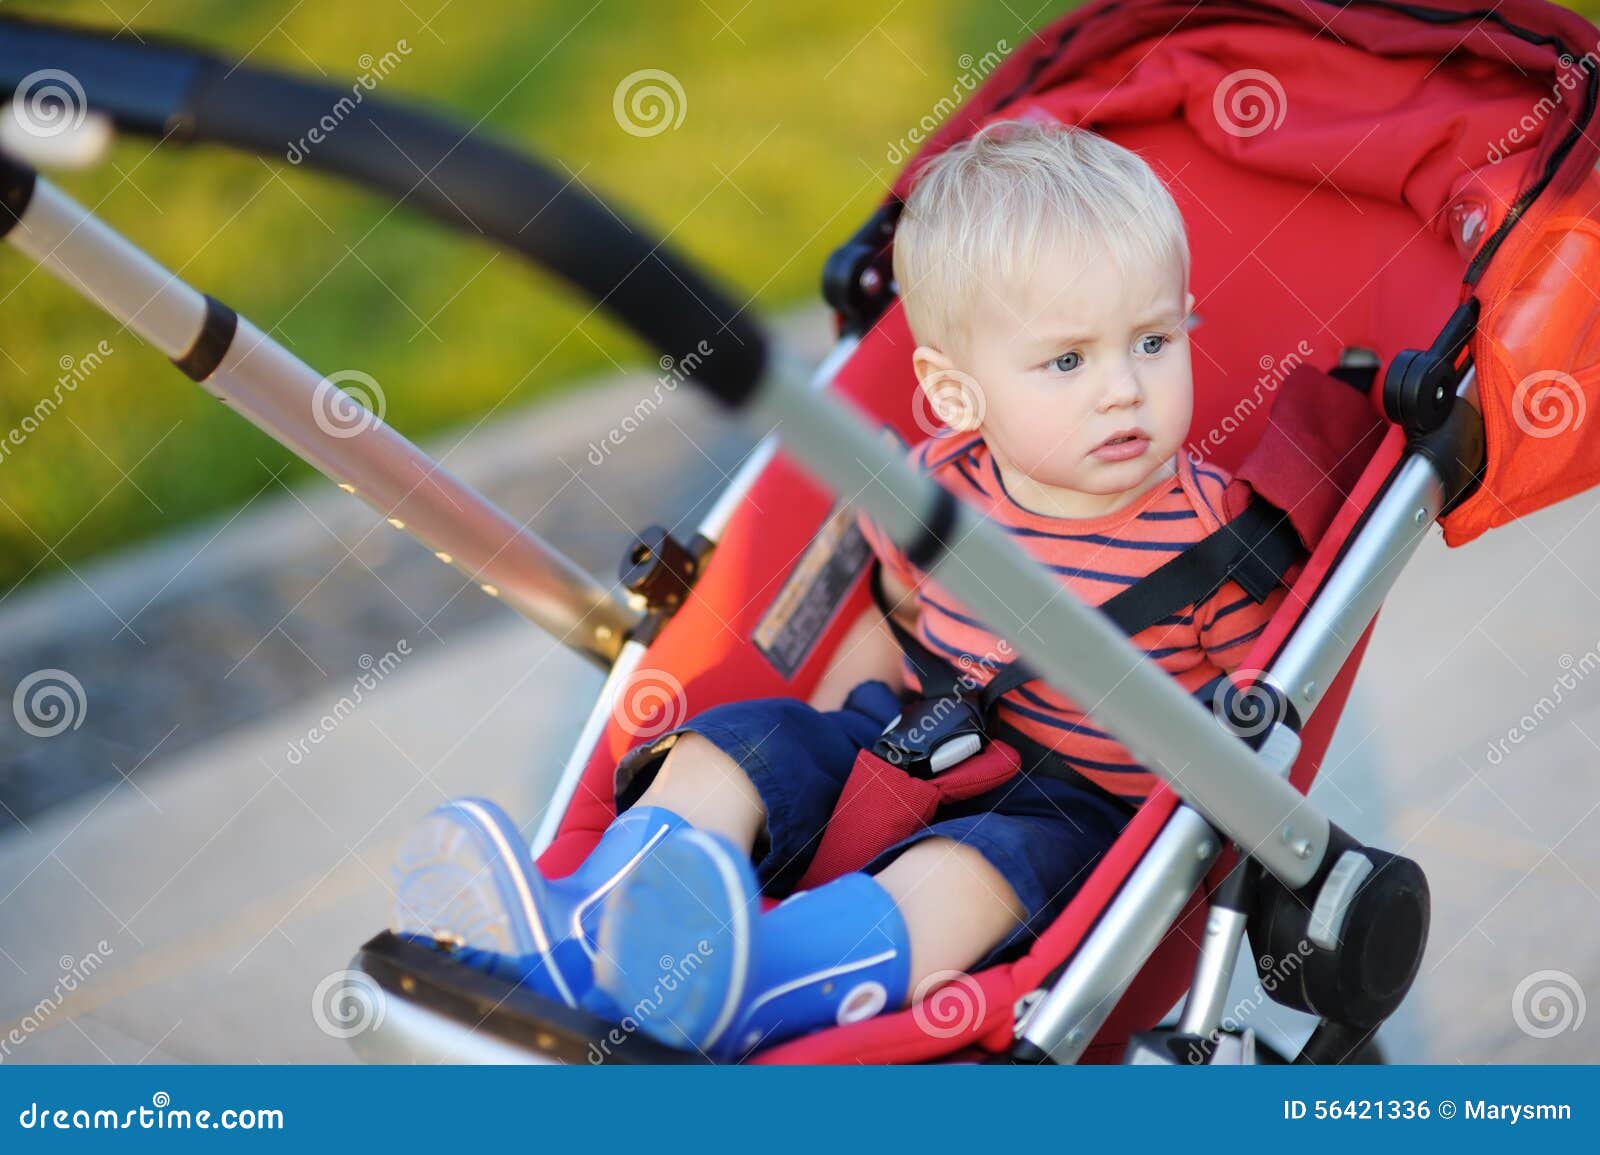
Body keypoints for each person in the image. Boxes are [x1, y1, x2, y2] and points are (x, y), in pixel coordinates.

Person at [389, 117, 1284, 1060]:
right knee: (735, 747)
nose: (1123, 390)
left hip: (1074, 803)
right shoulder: (934, 488)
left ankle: (755, 980)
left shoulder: (1210, 537)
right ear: (954, 394)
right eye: (1068, 360)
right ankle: (583, 926)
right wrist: (826, 734)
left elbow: (1263, 705)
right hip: (913, 733)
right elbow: (892, 615)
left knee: (969, 874)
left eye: (1153, 341)